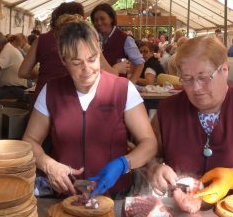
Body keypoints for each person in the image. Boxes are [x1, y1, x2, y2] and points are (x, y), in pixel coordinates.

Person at [22, 16, 157, 197]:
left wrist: (125, 163)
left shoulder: (122, 89)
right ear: (63, 60)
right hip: (66, 195)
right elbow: (29, 140)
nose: (87, 69)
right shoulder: (52, 91)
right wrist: (49, 165)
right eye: (76, 63)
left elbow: (149, 143)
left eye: (92, 59)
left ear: (100, 52)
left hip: (113, 194)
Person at [147, 36, 233, 204]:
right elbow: (147, 153)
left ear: (224, 70)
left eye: (203, 77)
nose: (196, 88)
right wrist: (154, 168)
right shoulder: (167, 111)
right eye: (187, 79)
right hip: (183, 214)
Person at [19, 2, 85, 101]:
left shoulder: (41, 39)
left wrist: (43, 74)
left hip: (44, 95)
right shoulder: (84, 40)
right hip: (71, 98)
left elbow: (23, 72)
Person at [90, 3, 144, 84]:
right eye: (96, 20)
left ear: (111, 18)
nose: (99, 23)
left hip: (117, 86)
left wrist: (131, 83)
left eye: (102, 19)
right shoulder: (94, 38)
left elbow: (140, 63)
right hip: (98, 84)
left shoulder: (125, 39)